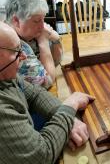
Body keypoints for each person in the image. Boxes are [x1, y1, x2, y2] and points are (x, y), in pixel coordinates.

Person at [0, 21, 94, 164]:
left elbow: (35, 94)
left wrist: (69, 120)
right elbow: (41, 156)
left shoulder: (5, 74)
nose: (23, 56)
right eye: (16, 51)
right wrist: (69, 106)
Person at [5, 0, 62, 90]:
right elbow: (47, 81)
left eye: (43, 19)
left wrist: (56, 39)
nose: (42, 26)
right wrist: (44, 41)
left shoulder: (28, 34)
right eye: (36, 21)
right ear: (16, 21)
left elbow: (55, 62)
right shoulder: (15, 46)